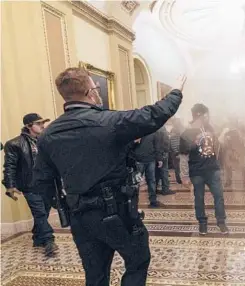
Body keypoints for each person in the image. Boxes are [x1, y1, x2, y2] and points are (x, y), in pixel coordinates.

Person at [32, 67, 185, 286]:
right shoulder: (109, 122)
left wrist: (67, 202)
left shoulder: (48, 134)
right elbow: (154, 114)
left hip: (80, 217)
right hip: (117, 212)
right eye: (95, 87)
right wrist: (176, 91)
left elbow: (42, 183)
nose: (98, 92)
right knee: (137, 261)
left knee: (95, 275)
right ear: (89, 93)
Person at [2, 113, 57, 256]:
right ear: (28, 126)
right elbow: (10, 166)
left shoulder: (45, 141)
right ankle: (49, 240)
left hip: (47, 185)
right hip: (30, 185)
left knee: (43, 213)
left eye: (43, 123)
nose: (42, 126)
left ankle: (37, 238)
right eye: (39, 123)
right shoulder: (14, 144)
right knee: (39, 213)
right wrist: (10, 185)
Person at [179, 103, 229, 235]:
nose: (208, 117)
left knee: (219, 196)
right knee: (199, 198)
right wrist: (184, 176)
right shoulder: (186, 134)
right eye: (206, 115)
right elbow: (184, 156)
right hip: (197, 172)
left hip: (213, 169)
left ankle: (221, 221)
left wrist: (219, 164)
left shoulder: (210, 129)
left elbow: (217, 147)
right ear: (199, 115)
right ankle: (202, 223)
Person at [170, 118, 184, 184]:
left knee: (177, 167)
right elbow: (175, 143)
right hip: (179, 152)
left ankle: (179, 180)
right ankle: (180, 180)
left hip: (176, 152)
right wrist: (178, 152)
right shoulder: (179, 133)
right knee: (180, 167)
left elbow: (172, 144)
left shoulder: (173, 133)